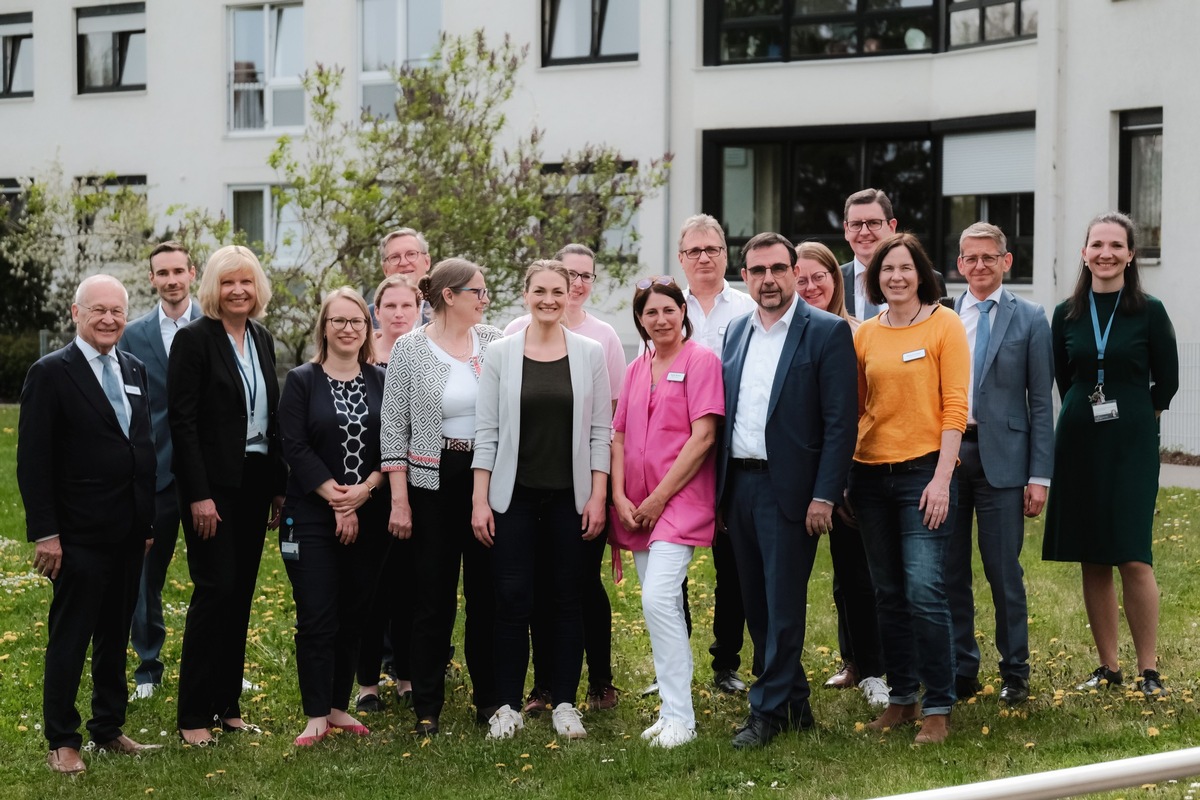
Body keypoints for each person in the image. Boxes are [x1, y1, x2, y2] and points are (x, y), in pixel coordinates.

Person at [716, 232, 858, 749]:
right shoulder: (735, 332)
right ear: (745, 276)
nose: (769, 279)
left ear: (795, 271)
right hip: (740, 487)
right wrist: (719, 494)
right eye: (758, 271)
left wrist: (825, 494)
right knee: (757, 604)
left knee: (783, 604)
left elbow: (841, 423)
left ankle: (767, 711)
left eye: (778, 268)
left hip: (792, 492)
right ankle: (795, 702)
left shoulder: (825, 333)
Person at [18, 274, 162, 774]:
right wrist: (47, 534)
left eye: (117, 311)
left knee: (114, 635)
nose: (108, 319)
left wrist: (147, 525)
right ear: (76, 314)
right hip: (77, 535)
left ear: (126, 315)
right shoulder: (51, 373)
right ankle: (63, 739)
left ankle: (108, 726)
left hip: (128, 531)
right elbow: (33, 462)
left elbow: (139, 447)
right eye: (97, 310)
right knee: (71, 637)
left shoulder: (135, 368)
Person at [472, 260, 611, 741]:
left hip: (569, 500)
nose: (550, 299)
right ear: (526, 294)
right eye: (540, 291)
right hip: (512, 499)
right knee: (510, 600)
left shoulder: (589, 352)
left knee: (566, 600)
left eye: (558, 290)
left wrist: (598, 496)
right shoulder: (501, 353)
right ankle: (507, 706)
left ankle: (565, 704)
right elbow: (485, 432)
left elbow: (599, 432)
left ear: (570, 293)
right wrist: (480, 499)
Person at [1043, 211, 1178, 697]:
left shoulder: (1150, 310)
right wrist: (1089, 408)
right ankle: (1108, 667)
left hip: (1132, 439)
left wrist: (1143, 415)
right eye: (1096, 244)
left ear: (1130, 254)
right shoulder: (1066, 314)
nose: (1105, 253)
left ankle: (1149, 671)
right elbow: (1065, 375)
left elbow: (1169, 379)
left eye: (1115, 245)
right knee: (1092, 555)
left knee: (1132, 554)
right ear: (1084, 253)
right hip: (1080, 436)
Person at [847, 232, 969, 745]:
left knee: (924, 591)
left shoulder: (946, 325)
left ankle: (938, 705)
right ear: (876, 279)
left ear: (921, 273)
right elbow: (854, 409)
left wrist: (942, 478)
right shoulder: (866, 335)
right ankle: (901, 698)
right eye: (886, 269)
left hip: (924, 474)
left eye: (905, 267)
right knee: (889, 593)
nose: (896, 276)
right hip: (870, 474)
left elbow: (955, 407)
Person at [169, 245, 286, 746]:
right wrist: (198, 495)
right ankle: (194, 715)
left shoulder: (260, 337)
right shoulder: (194, 340)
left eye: (246, 282)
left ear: (258, 288)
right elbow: (183, 422)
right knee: (214, 592)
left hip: (256, 480)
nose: (238, 290)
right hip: (212, 489)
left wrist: (279, 488)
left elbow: (272, 414)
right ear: (212, 289)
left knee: (239, 596)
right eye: (227, 282)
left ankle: (227, 706)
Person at [381, 258, 501, 736]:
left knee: (485, 595)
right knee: (432, 598)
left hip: (484, 477)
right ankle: (427, 706)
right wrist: (399, 500)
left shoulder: (493, 343)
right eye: (478, 291)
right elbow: (394, 427)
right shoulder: (411, 348)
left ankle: (490, 701)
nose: (484, 299)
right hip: (430, 481)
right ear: (449, 296)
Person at [505, 243, 625, 714]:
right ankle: (544, 688)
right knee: (531, 588)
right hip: (524, 488)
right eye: (563, 276)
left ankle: (597, 681)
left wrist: (602, 490)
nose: (573, 286)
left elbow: (609, 418)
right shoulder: (513, 334)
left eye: (582, 277)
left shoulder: (602, 339)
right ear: (533, 289)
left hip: (581, 484)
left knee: (578, 587)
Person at [610, 275, 723, 748]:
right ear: (640, 320)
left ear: (684, 313)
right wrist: (618, 495)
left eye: (668, 310)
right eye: (650, 313)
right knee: (660, 607)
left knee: (658, 600)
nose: (660, 319)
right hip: (635, 507)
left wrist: (658, 499)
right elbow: (617, 436)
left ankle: (682, 717)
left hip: (677, 503)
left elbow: (704, 437)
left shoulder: (702, 362)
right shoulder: (638, 367)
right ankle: (671, 709)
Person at [949, 222, 1054, 706]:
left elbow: (1040, 404)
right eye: (970, 258)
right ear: (959, 264)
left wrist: (1039, 476)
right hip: (950, 457)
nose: (979, 266)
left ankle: (1016, 671)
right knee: (950, 570)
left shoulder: (1031, 318)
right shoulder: (945, 316)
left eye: (989, 257)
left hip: (1007, 464)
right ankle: (961, 667)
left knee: (1002, 570)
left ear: (1006, 261)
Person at [279, 288, 389, 746]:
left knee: (354, 615)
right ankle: (314, 714)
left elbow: (394, 445)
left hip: (370, 511)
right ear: (324, 327)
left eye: (357, 322)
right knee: (318, 616)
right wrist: (337, 499)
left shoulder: (382, 379)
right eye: (339, 321)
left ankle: (339, 707)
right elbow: (294, 445)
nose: (348, 329)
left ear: (367, 330)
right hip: (311, 516)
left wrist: (363, 493)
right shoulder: (302, 380)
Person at [793, 242, 889, 710]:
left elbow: (864, 409)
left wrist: (846, 475)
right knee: (814, 579)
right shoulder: (782, 332)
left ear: (837, 279)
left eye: (819, 277)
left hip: (850, 470)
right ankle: (850, 660)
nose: (810, 287)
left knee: (857, 573)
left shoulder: (859, 333)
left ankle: (873, 669)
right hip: (794, 472)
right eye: (802, 278)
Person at [675, 213, 756, 696]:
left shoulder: (746, 308)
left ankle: (726, 663)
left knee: (734, 563)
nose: (704, 258)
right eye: (694, 251)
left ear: (726, 254)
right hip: (676, 450)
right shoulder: (666, 308)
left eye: (713, 249)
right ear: (682, 258)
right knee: (673, 562)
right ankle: (676, 660)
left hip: (732, 450)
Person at [119, 241, 201, 700]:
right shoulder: (133, 335)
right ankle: (148, 666)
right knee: (146, 575)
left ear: (192, 273)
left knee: (218, 575)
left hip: (207, 476)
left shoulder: (213, 328)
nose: (171, 279)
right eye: (162, 273)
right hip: (156, 474)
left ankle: (217, 659)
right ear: (152, 279)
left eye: (178, 271)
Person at [356, 274, 420, 712]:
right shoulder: (362, 354)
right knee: (369, 587)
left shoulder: (425, 352)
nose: (398, 314)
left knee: (408, 586)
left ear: (419, 310)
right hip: (367, 486)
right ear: (376, 311)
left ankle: (407, 674)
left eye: (407, 306)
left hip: (417, 484)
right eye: (389, 306)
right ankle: (366, 684)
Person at [839, 188, 946, 322]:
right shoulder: (832, 281)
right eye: (856, 224)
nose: (864, 232)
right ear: (846, 230)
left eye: (873, 223)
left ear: (892, 227)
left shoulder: (928, 279)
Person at [372, 228, 433, 327]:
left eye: (411, 254)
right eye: (395, 257)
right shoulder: (366, 318)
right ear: (385, 269)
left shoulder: (445, 313)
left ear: (427, 262)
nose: (404, 263)